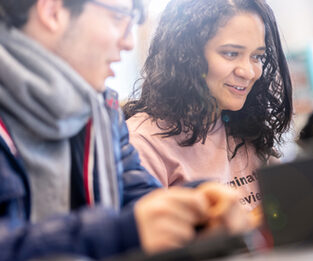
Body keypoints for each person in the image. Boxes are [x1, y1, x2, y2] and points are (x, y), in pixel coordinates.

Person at [0, 0, 251, 260]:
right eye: (118, 19)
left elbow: (140, 202)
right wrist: (120, 234)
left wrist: (199, 207)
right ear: (52, 12)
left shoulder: (101, 114)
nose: (129, 42)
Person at [124, 0, 293, 211]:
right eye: (231, 54)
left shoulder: (245, 128)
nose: (249, 72)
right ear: (185, 56)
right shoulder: (142, 144)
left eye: (257, 56)